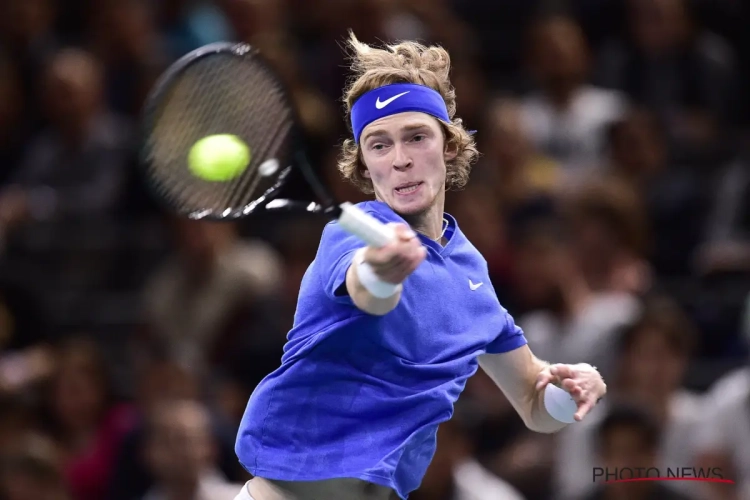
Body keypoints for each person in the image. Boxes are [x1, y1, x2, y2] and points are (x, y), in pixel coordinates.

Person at [234, 32, 607, 500]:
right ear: (365, 166)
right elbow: (367, 289)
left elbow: (534, 403)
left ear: (449, 145)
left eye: (416, 137)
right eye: (379, 145)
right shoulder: (354, 231)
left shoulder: (471, 272)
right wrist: (384, 271)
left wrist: (569, 389)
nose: (401, 159)